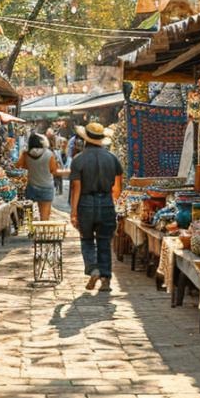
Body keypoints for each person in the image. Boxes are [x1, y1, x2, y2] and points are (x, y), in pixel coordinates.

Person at [68, 122, 123, 291]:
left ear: (85, 140)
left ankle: (94, 269)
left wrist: (74, 212)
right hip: (106, 203)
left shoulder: (78, 160)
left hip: (86, 204)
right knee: (104, 242)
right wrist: (109, 203)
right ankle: (105, 279)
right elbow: (117, 189)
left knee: (87, 239)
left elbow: (76, 189)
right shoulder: (113, 158)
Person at [17, 133, 63, 221]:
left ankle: (32, 232)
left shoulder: (25, 154)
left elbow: (19, 165)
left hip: (31, 187)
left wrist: (31, 166)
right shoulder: (49, 154)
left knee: (30, 216)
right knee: (44, 218)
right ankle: (42, 233)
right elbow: (53, 170)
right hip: (46, 187)